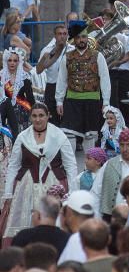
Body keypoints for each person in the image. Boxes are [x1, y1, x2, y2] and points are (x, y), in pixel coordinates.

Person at [2, 104, 77, 242]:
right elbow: (13, 166)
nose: (38, 119)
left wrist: (73, 192)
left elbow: (70, 165)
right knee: (24, 225)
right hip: (25, 187)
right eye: (34, 116)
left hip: (53, 186)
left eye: (41, 115)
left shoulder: (59, 136)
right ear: (30, 117)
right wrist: (8, 193)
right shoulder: (23, 137)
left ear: (48, 116)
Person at [56, 24, 111, 151]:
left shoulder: (98, 56)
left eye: (84, 37)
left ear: (88, 38)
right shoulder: (67, 57)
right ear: (74, 39)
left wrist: (106, 101)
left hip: (92, 100)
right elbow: (62, 80)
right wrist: (59, 100)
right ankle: (71, 166)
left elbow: (104, 79)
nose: (81, 40)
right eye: (79, 37)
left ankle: (89, 166)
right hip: (71, 100)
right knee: (69, 133)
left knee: (90, 134)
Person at [91, 128, 129, 219]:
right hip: (111, 218)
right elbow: (96, 193)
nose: (125, 149)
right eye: (122, 145)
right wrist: (97, 218)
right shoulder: (110, 164)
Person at [0, 48, 33, 139]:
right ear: (6, 61)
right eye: (9, 60)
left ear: (19, 62)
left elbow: (30, 98)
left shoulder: (24, 77)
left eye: (15, 60)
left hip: (21, 112)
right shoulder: (1, 76)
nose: (12, 63)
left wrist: (33, 112)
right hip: (5, 112)